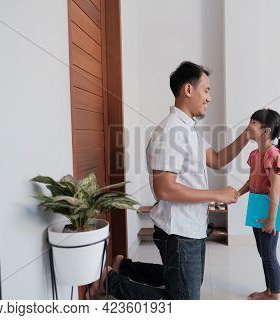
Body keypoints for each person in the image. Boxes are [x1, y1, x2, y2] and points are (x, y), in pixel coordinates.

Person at [89, 61, 250, 300]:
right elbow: (164, 189)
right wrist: (217, 195)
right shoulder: (171, 132)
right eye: (206, 90)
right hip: (179, 231)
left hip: (191, 227)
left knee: (184, 283)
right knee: (183, 300)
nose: (209, 98)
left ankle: (124, 267)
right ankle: (110, 282)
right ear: (188, 89)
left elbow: (216, 159)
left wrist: (246, 136)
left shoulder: (188, 130)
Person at [237, 108, 280, 300]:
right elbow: (252, 182)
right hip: (257, 207)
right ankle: (270, 290)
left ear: (266, 131)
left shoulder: (272, 155)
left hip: (269, 211)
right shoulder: (255, 155)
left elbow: (275, 189)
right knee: (263, 252)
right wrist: (238, 193)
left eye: (253, 122)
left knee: (269, 254)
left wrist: (271, 219)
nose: (249, 126)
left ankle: (276, 295)